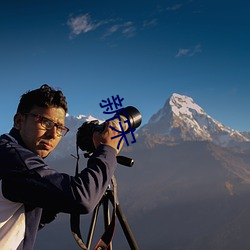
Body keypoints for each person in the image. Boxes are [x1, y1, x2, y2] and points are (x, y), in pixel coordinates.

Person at [0, 84, 123, 250]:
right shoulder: (14, 159)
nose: (52, 134)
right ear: (19, 121)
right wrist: (108, 150)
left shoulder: (11, 153)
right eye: (45, 122)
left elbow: (24, 223)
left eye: (59, 128)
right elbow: (82, 198)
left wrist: (54, 196)